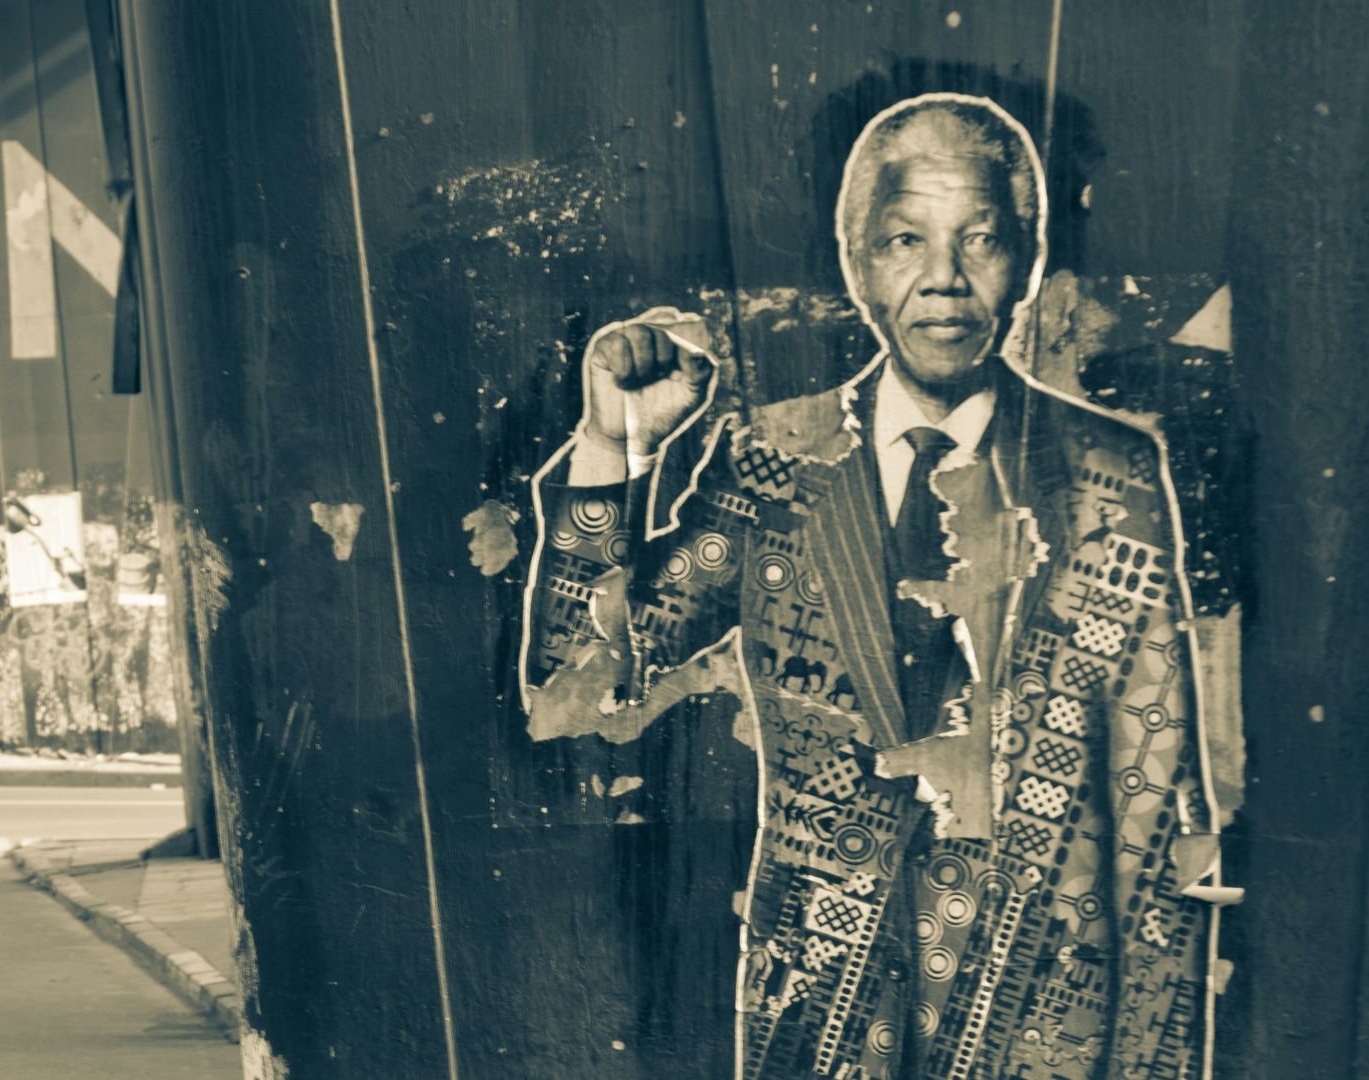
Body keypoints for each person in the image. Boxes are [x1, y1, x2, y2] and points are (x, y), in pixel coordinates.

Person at [522, 94, 1227, 1078]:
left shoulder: (1107, 473)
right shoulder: (775, 462)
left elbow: (1155, 814)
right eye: (905, 239)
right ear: (860, 263)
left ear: (1024, 262)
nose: (942, 280)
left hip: (1039, 1025)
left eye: (978, 240)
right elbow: (577, 693)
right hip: (823, 1019)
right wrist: (609, 445)